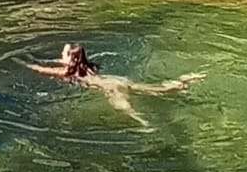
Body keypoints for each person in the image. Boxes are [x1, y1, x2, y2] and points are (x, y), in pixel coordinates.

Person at [25, 43, 203, 123]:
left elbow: (41, 69)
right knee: (158, 89)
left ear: (71, 60)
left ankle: (143, 122)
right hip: (117, 79)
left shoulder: (67, 72)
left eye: (65, 55)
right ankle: (186, 79)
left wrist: (25, 63)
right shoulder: (90, 67)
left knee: (124, 107)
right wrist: (68, 56)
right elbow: (67, 55)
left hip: (109, 87)